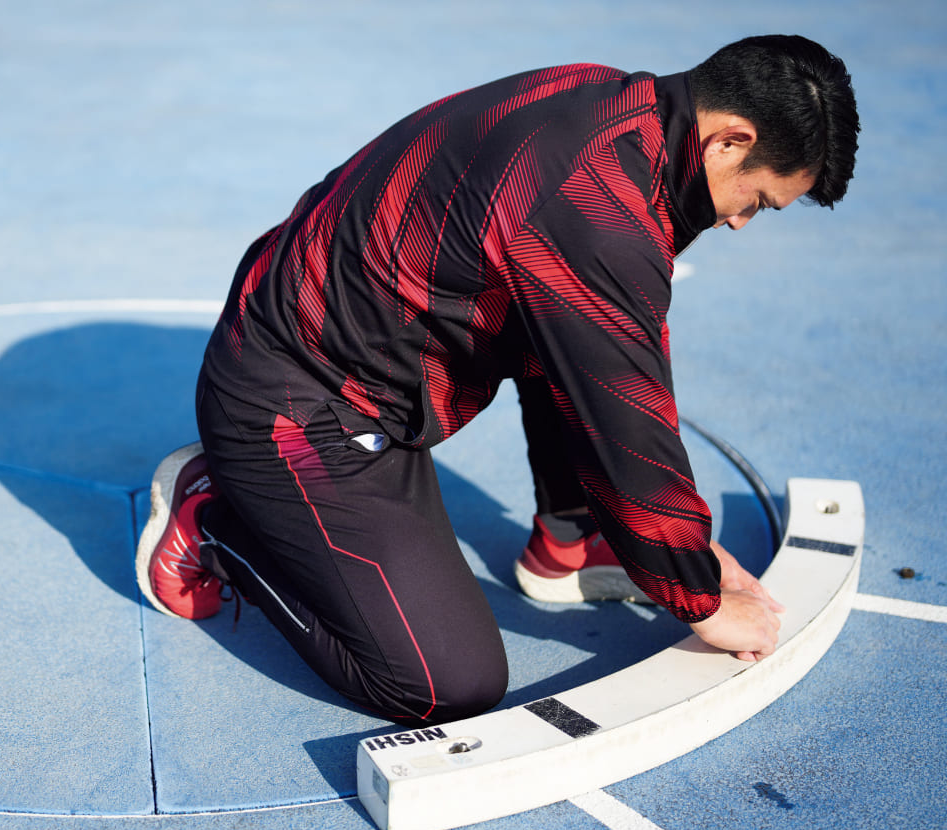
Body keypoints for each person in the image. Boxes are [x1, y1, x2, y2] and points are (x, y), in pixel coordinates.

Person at [135, 35, 860, 726]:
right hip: (294, 402)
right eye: (759, 199)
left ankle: (572, 537)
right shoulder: (598, 210)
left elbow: (629, 348)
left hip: (330, 333)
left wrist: (676, 543)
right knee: (441, 681)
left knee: (579, 334)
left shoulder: (617, 107)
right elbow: (621, 406)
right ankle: (225, 522)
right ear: (730, 139)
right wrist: (697, 593)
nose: (741, 223)